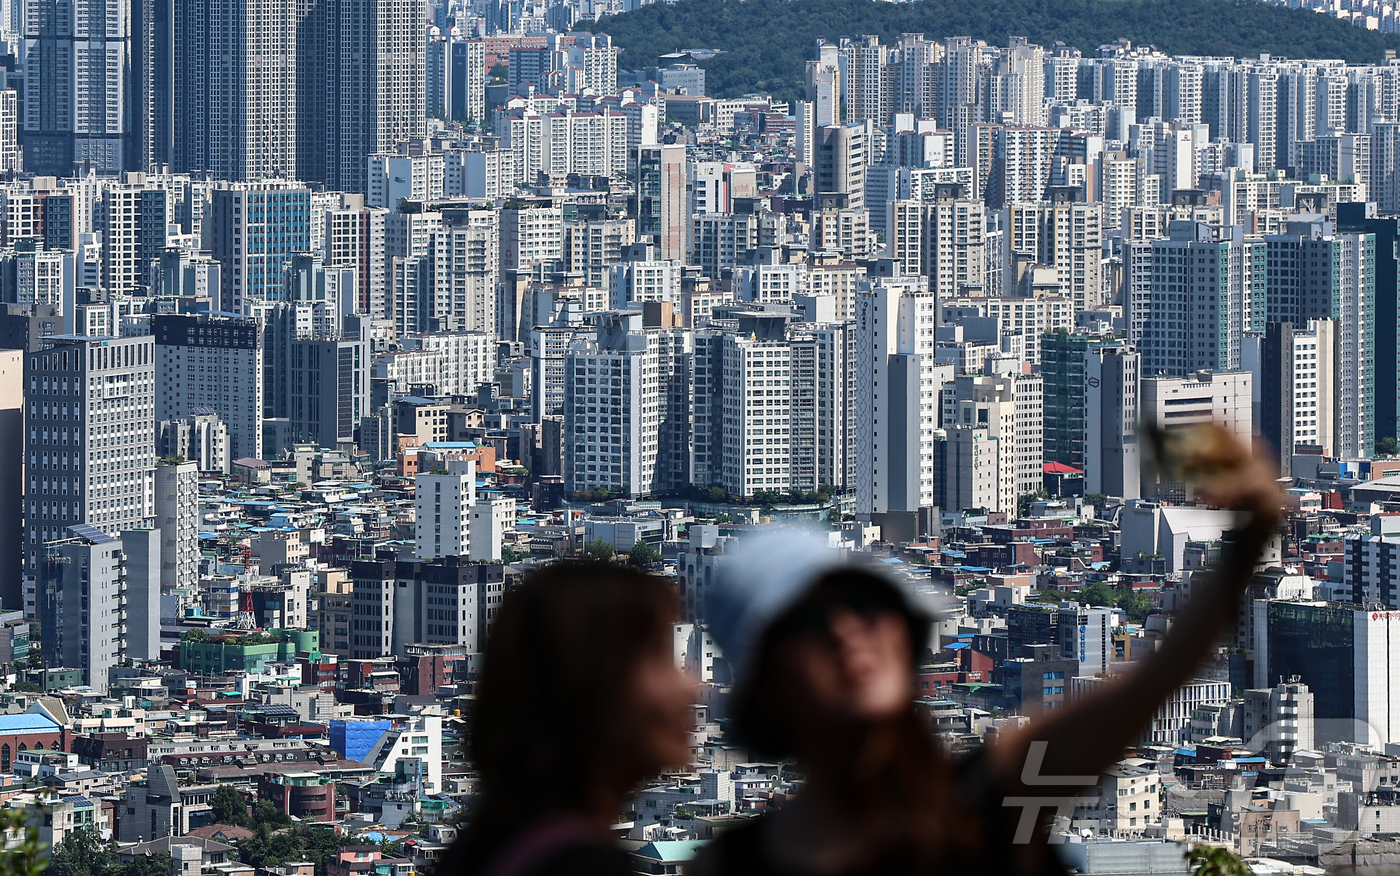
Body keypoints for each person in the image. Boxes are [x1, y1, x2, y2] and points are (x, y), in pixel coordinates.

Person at [696, 425, 1282, 876]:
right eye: (810, 622)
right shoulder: (734, 866)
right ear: (763, 683)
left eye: (867, 603)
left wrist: (1248, 538)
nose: (849, 632)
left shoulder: (990, 800)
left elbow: (1151, 683)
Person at [443, 562, 696, 876]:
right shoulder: (580, 867)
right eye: (658, 656)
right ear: (587, 683)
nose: (687, 686)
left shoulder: (483, 847)